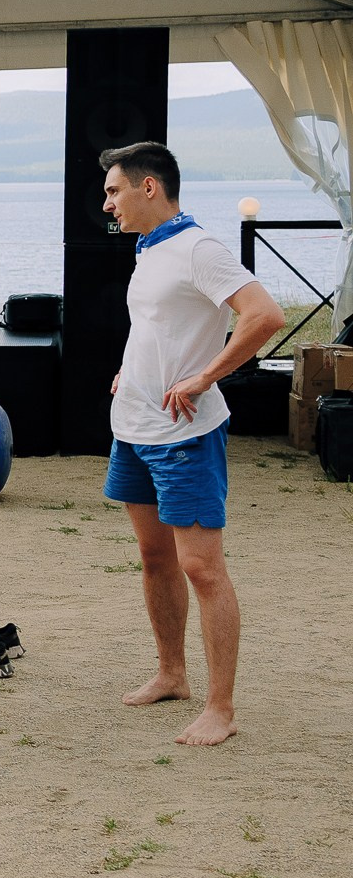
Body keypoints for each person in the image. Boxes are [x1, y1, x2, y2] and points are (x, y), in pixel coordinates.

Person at [99, 141, 282, 747]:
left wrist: (205, 376)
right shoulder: (150, 249)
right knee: (155, 560)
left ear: (149, 188)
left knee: (201, 567)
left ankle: (220, 709)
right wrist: (134, 371)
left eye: (114, 191)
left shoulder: (199, 247)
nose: (108, 204)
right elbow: (159, 327)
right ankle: (172, 675)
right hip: (134, 427)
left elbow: (263, 315)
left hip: (185, 434)